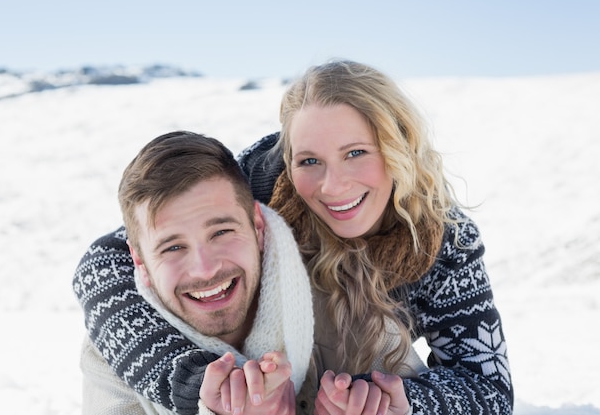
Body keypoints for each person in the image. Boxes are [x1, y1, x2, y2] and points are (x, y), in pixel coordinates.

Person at [74, 59, 513, 415]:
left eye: (356, 153)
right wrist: (198, 384)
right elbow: (106, 265)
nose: (333, 185)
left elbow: (487, 389)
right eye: (309, 161)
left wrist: (405, 402)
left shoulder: (441, 239)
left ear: (399, 145)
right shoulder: (263, 184)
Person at [76, 130, 415, 415]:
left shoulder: (351, 307)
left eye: (221, 232)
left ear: (257, 226)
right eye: (172, 248)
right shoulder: (114, 359)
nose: (205, 268)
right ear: (139, 261)